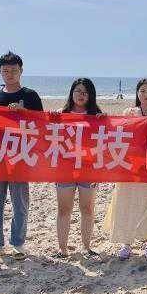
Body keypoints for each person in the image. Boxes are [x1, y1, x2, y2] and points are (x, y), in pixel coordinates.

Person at [0, 52, 43, 262]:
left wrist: (24, 111)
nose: (9, 74)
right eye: (5, 70)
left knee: (20, 204)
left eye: (14, 70)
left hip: (20, 158)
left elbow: (41, 125)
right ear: (0, 72)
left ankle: (18, 243)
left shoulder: (31, 96)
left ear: (21, 71)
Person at [103, 78, 147, 260]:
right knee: (126, 203)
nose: (146, 95)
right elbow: (119, 134)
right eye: (142, 91)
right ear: (137, 93)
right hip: (130, 166)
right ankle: (126, 243)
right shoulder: (129, 112)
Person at [53, 78, 104, 261]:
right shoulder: (62, 114)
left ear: (90, 95)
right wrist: (52, 118)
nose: (81, 95)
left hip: (88, 169)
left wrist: (104, 121)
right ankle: (62, 248)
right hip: (65, 169)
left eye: (85, 92)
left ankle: (87, 247)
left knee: (87, 209)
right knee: (64, 209)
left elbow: (106, 140)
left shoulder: (96, 116)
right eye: (78, 91)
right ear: (71, 93)